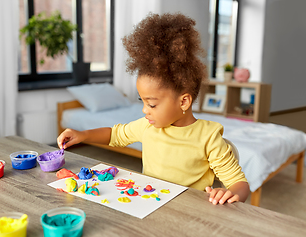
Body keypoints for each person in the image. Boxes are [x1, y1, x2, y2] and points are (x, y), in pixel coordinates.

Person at [57, 13, 250, 205]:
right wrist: (82, 135)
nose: (144, 110)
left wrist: (229, 193)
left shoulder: (208, 136)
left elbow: (239, 183)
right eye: (142, 101)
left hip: (189, 213)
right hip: (149, 205)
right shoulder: (147, 126)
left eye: (152, 104)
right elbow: (114, 135)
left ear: (183, 102)